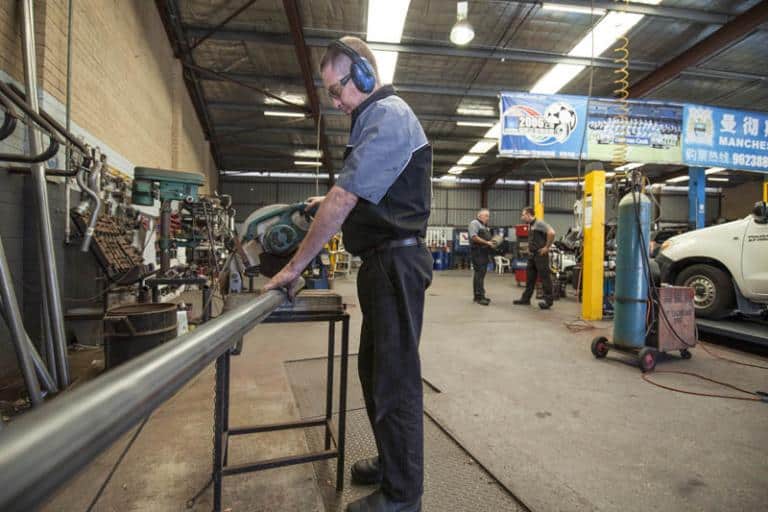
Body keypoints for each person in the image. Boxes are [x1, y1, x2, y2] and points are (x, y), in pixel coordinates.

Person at [264, 36, 431, 512]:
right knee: (374, 371)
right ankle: (392, 461)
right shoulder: (372, 120)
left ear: (363, 74)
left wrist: (295, 266)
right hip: (382, 263)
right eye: (331, 95)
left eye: (338, 90)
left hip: (395, 263)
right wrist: (327, 201)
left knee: (394, 380)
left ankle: (403, 498)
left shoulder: (389, 114)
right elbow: (365, 189)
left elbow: (346, 198)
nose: (336, 103)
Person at [514, 207, 556, 309]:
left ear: (528, 214)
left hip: (541, 255)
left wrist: (546, 247)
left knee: (545, 278)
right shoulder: (531, 225)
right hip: (532, 255)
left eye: (523, 215)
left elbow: (552, 232)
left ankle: (548, 301)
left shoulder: (539, 223)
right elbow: (534, 239)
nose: (522, 217)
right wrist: (529, 248)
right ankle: (525, 299)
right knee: (530, 278)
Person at [468, 209, 494, 305]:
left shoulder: (484, 226)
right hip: (478, 252)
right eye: (486, 215)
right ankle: (479, 297)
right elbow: (474, 237)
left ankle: (478, 296)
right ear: (479, 216)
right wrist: (487, 242)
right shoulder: (474, 223)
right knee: (479, 274)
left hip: (484, 252)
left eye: (488, 216)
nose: (488, 218)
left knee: (480, 274)